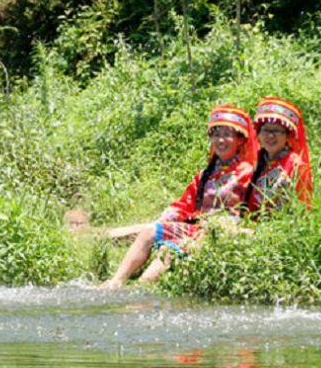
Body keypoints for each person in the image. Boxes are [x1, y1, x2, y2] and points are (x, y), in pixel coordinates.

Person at [100, 106, 258, 289]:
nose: (220, 140)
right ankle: (115, 282)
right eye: (216, 134)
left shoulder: (247, 173)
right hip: (197, 229)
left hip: (219, 234)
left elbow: (255, 208)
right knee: (149, 231)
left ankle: (139, 291)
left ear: (240, 140)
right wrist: (165, 219)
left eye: (227, 135)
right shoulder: (206, 174)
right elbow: (186, 204)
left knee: (168, 251)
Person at [245, 97, 313, 213]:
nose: (270, 136)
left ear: (287, 136)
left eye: (276, 131)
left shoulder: (297, 166)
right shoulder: (254, 162)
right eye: (266, 130)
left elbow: (304, 207)